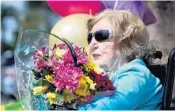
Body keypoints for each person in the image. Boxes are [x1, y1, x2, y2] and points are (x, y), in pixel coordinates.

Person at [78, 9, 164, 110]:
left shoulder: (136, 76)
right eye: (89, 38)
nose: (92, 44)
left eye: (101, 35)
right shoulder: (110, 76)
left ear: (127, 40)